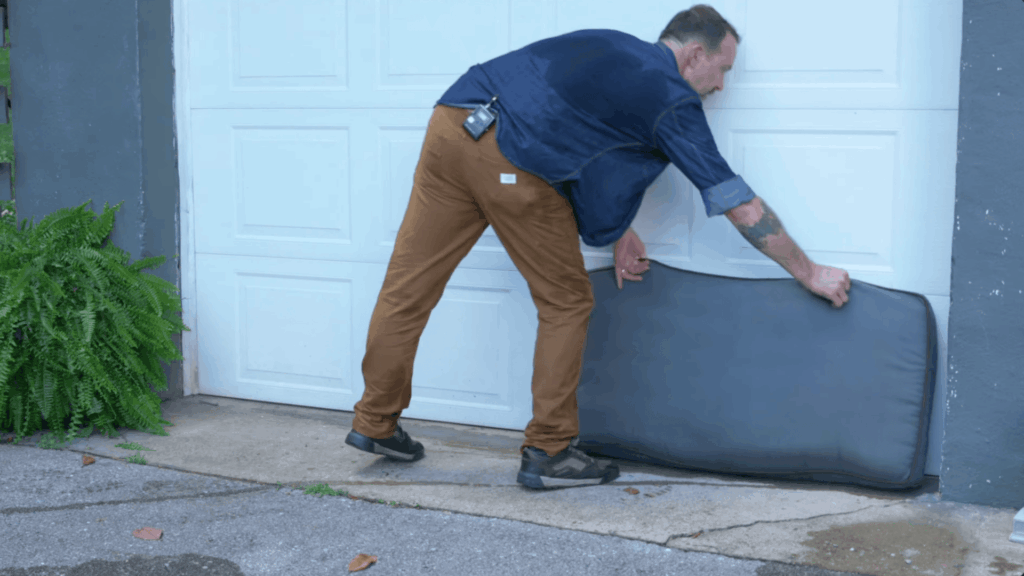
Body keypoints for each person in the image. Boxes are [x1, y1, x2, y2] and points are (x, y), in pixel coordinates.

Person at [344, 4, 852, 489]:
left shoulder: (610, 45)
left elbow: (572, 138)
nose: (720, 86)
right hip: (509, 157)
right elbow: (738, 204)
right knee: (566, 301)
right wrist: (808, 272)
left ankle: (375, 421)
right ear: (694, 55)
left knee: (408, 287)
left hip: (453, 123)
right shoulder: (670, 97)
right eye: (722, 70)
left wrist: (616, 232)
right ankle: (550, 451)